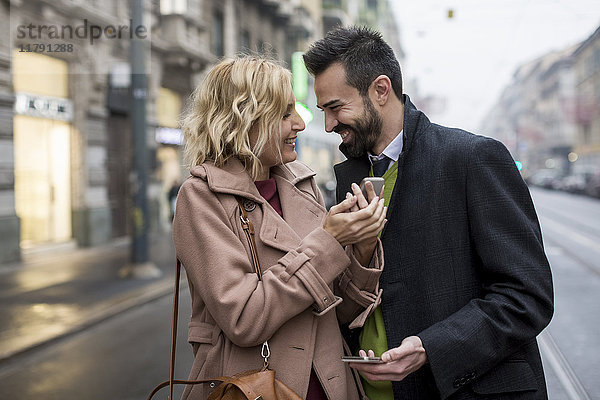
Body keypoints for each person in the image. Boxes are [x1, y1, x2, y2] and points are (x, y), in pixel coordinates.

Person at [303, 26, 554, 400]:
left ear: (381, 90)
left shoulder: (472, 158)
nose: (328, 124)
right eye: (324, 110)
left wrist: (430, 347)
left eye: (336, 107)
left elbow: (527, 296)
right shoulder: (349, 178)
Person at [172, 55, 388, 400]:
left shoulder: (302, 183)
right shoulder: (201, 197)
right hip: (255, 388)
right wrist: (330, 240)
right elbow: (245, 318)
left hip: (331, 387)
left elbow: (338, 311)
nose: (299, 124)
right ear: (244, 119)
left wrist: (360, 246)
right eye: (285, 114)